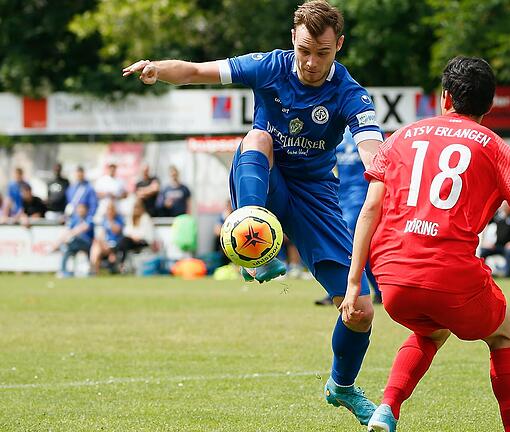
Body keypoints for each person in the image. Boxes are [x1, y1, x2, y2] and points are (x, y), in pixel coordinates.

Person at [122, 0, 384, 424]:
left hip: (316, 196)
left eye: (323, 52)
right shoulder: (268, 67)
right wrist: (157, 68)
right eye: (303, 50)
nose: (311, 62)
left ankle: (343, 386)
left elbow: (373, 150)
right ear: (292, 41)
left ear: (339, 45)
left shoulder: (351, 94)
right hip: (265, 179)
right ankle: (252, 241)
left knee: (360, 309)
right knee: (258, 136)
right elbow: (193, 71)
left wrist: (383, 169)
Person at [341, 56, 510, 432]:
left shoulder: (400, 137)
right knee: (502, 334)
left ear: (445, 97)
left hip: (392, 278)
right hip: (449, 276)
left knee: (431, 330)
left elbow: (369, 210)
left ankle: (387, 408)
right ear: (489, 105)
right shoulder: (497, 149)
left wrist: (354, 284)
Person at [316, 129, 382, 305]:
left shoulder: (369, 134)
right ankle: (377, 290)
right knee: (356, 247)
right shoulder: (337, 134)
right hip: (341, 197)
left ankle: (343, 290)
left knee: (350, 244)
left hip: (360, 197)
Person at [480, 202, 510, 278]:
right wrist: (485, 241)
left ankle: (507, 275)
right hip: (497, 245)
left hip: (509, 245)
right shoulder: (498, 215)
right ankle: (482, 273)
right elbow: (486, 224)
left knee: (509, 251)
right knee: (484, 251)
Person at [52, 202, 94, 278]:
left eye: (82, 208)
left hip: (86, 243)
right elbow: (67, 231)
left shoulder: (89, 219)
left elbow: (83, 228)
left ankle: (56, 247)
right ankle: (63, 271)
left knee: (70, 240)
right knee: (66, 250)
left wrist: (68, 236)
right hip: (74, 244)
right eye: (79, 208)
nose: (80, 210)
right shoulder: (74, 220)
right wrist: (62, 239)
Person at [115, 200, 155, 269]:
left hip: (143, 241)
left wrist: (137, 237)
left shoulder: (145, 218)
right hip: (131, 241)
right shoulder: (131, 218)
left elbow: (147, 234)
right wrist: (132, 236)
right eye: (135, 208)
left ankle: (120, 263)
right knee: (124, 242)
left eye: (137, 207)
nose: (136, 210)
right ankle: (121, 263)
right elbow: (126, 231)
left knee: (124, 243)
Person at [90, 200, 125, 274]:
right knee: (96, 246)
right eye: (108, 209)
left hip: (115, 244)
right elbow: (102, 234)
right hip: (106, 245)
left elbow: (117, 231)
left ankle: (94, 270)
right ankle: (95, 270)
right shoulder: (104, 220)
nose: (109, 212)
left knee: (97, 247)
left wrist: (111, 221)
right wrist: (101, 241)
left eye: (111, 209)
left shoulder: (119, 219)